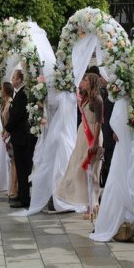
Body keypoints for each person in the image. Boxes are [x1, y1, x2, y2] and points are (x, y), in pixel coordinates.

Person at [55, 73, 104, 219]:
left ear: (92, 83)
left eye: (86, 80)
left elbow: (98, 123)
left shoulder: (97, 99)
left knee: (92, 171)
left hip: (92, 135)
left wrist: (95, 142)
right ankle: (87, 203)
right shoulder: (86, 97)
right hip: (82, 134)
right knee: (80, 170)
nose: (83, 82)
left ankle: (93, 204)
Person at [4, 70, 31, 209]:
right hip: (18, 135)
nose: (12, 79)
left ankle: (24, 198)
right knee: (20, 167)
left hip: (21, 136)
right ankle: (21, 194)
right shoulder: (18, 94)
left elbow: (16, 116)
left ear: (20, 80)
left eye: (14, 77)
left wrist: (7, 129)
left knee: (22, 168)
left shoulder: (22, 95)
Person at [0, 82, 17, 200]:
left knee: (14, 162)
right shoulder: (4, 103)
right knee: (11, 163)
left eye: (1, 89)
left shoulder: (10, 103)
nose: (0, 91)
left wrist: (7, 131)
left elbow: (11, 120)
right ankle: (11, 187)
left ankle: (14, 188)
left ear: (5, 91)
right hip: (6, 135)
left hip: (11, 135)